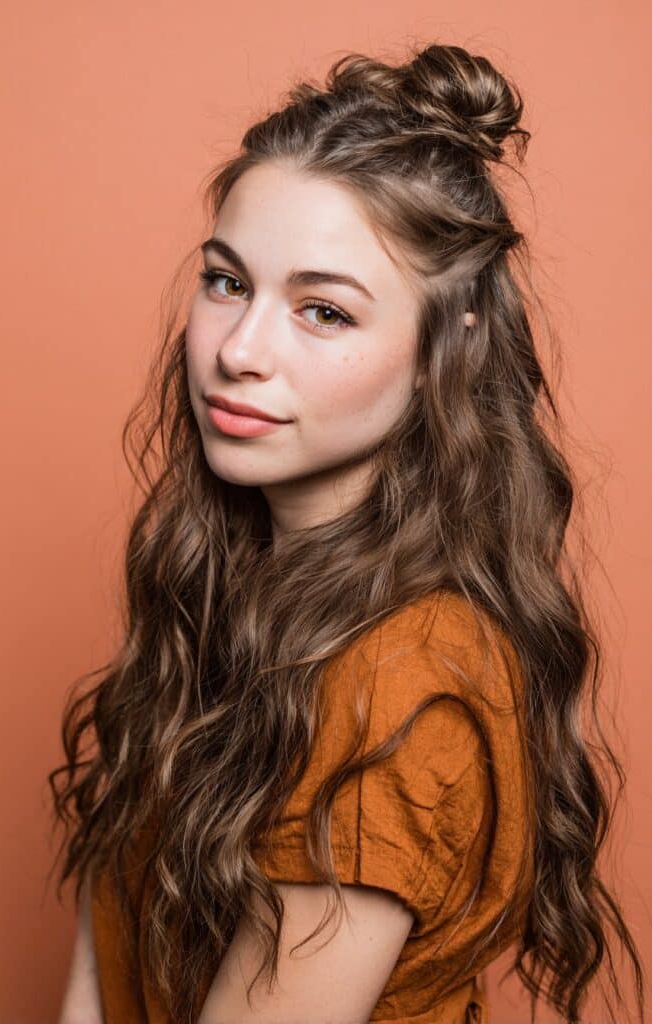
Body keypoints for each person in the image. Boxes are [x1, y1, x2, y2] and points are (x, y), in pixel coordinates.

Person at [49, 42, 646, 1024]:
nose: (238, 351)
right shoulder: (217, 601)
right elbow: (101, 968)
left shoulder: (401, 683)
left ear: (437, 354)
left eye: (321, 310)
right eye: (227, 282)